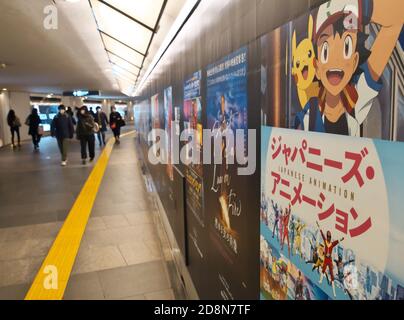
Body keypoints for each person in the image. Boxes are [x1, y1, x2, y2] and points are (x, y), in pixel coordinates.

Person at [294, 0, 404, 136]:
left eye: (346, 47)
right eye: (326, 51)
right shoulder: (309, 115)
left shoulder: (358, 96)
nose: (335, 60)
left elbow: (398, 17)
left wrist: (362, 6)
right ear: (317, 66)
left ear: (355, 60)